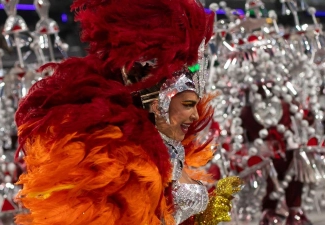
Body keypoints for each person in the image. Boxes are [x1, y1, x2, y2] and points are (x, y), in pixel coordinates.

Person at [14, 0, 241, 224]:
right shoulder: (118, 162)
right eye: (188, 105)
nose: (194, 117)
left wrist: (208, 215)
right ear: (156, 102)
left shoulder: (170, 149)